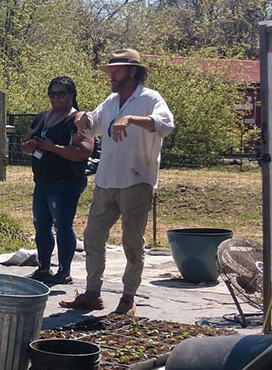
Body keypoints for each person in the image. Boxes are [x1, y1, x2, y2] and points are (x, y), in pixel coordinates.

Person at [60, 49, 175, 315]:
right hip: (106, 180)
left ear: (133, 71)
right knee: (92, 237)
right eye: (111, 70)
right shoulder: (111, 101)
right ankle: (92, 294)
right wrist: (83, 119)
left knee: (132, 242)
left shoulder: (150, 98)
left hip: (136, 180)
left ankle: (128, 298)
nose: (112, 75)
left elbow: (166, 125)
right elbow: (93, 125)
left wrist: (131, 119)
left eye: (117, 70)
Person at [20, 76, 93, 286]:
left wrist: (52, 148)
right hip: (42, 180)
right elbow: (25, 144)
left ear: (72, 95)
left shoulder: (79, 120)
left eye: (61, 93)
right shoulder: (43, 117)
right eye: (52, 93)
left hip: (66, 181)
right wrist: (31, 145)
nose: (56, 98)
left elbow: (84, 151)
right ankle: (43, 268)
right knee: (41, 226)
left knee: (62, 225)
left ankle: (64, 272)